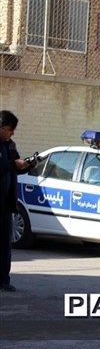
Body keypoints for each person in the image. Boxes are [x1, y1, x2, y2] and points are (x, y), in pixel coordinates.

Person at [1, 110, 31, 292]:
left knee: (5, 245)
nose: (12, 133)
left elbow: (14, 168)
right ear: (2, 127)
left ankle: (4, 279)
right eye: (10, 130)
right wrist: (13, 165)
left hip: (6, 203)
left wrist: (27, 164)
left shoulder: (10, 146)